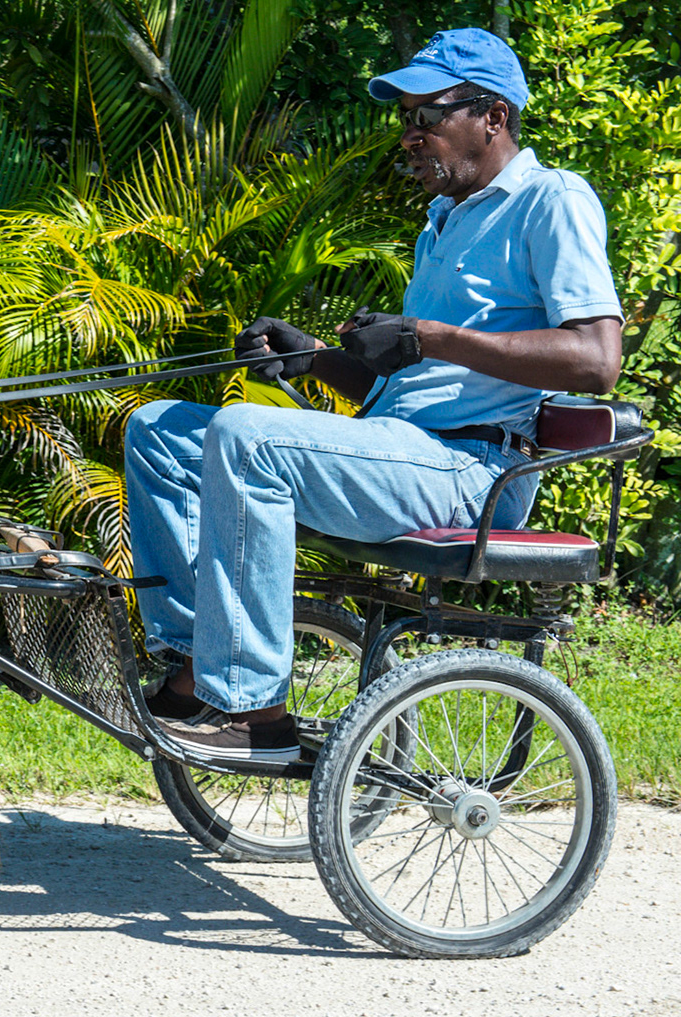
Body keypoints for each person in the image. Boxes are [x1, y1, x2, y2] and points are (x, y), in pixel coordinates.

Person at [124, 28, 624, 760]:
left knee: (244, 435)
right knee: (159, 427)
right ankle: (194, 662)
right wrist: (317, 359)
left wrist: (428, 336)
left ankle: (252, 709)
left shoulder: (552, 201)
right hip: (404, 449)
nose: (410, 136)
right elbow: (408, 384)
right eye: (405, 119)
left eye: (429, 116)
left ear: (493, 116)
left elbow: (596, 360)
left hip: (470, 471)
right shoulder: (442, 223)